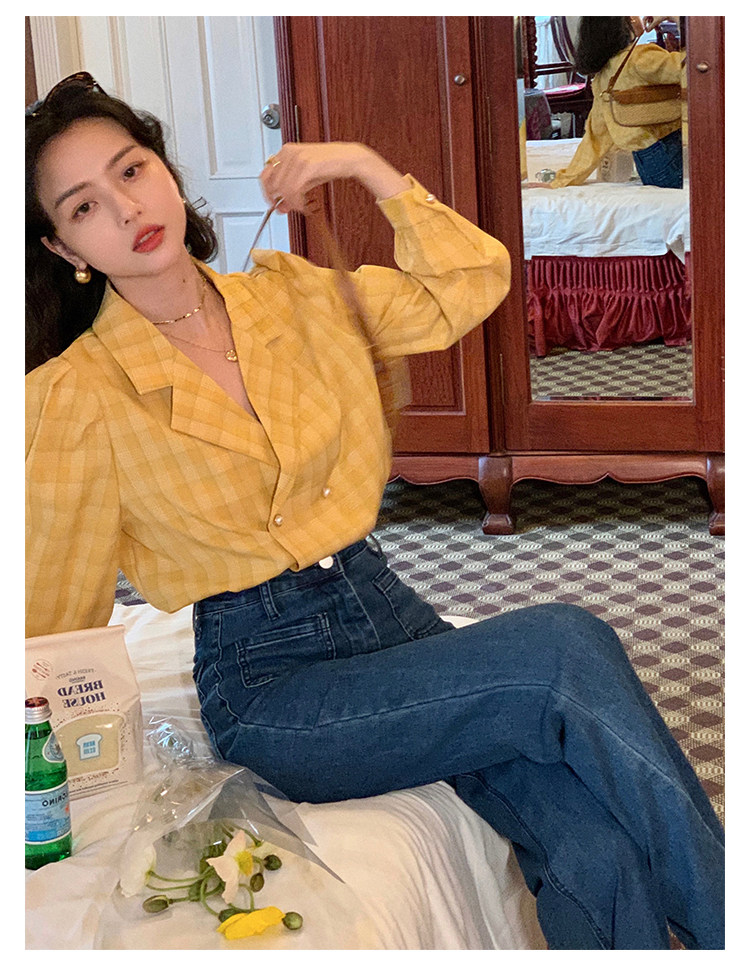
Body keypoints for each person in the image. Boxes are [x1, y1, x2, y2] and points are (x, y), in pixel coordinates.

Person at [26, 73, 723, 950]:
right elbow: (52, 611)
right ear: (63, 247)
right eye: (85, 206)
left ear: (165, 169)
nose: (126, 208)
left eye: (131, 171)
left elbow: (469, 283)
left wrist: (364, 165)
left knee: (593, 842)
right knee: (565, 647)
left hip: (390, 613)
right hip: (272, 685)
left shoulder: (295, 298)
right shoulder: (74, 396)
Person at [539, 16, 684, 189]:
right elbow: (695, 68)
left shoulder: (605, 74)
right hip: (669, 158)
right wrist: (677, 19)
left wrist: (562, 180)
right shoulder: (641, 58)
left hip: (650, 167)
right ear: (624, 25)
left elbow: (595, 138)